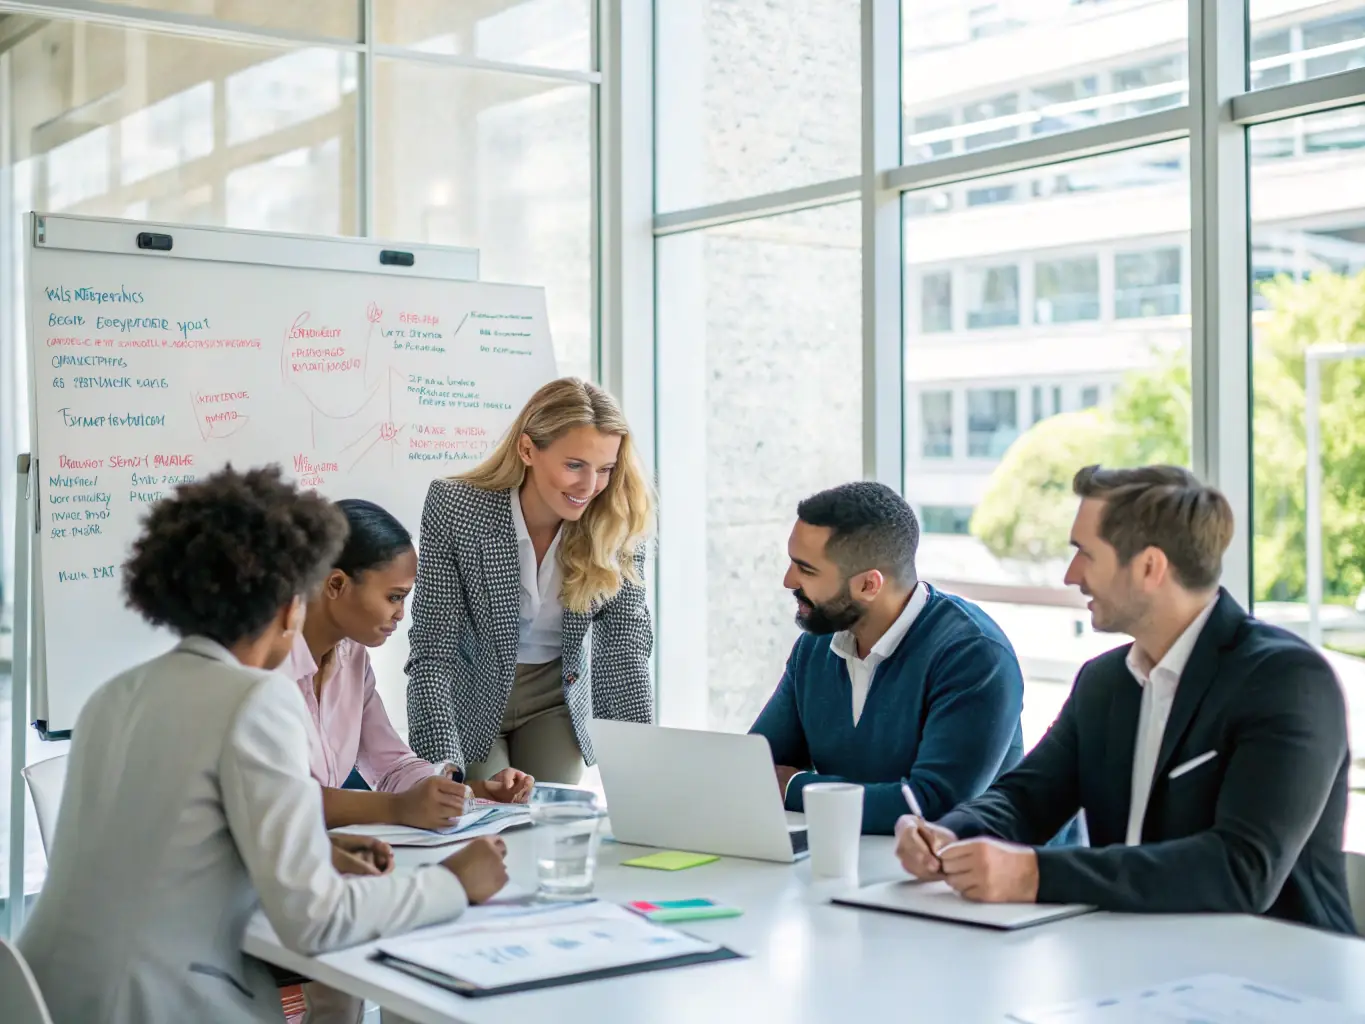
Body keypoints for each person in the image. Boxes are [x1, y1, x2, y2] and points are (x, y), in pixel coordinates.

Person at [19, 466, 510, 1024]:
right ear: (287, 604)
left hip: (46, 998)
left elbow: (175, 847)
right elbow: (315, 920)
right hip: (157, 1005)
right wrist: (452, 882)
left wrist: (316, 851)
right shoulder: (254, 699)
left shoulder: (115, 694)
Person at [895, 465, 1356, 935]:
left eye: (1085, 554)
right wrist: (950, 832)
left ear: (1150, 567)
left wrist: (1036, 874)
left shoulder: (1287, 680)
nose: (1072, 576)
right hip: (1132, 951)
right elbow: (1028, 796)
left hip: (1283, 975)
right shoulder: (1105, 681)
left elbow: (1241, 870)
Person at [407, 377, 654, 784]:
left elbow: (625, 650)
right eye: (574, 465)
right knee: (484, 818)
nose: (590, 487)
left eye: (605, 469)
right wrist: (441, 770)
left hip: (554, 698)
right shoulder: (456, 507)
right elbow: (433, 651)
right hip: (470, 692)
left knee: (548, 817)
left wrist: (641, 769)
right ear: (527, 450)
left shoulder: (618, 524)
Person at [750, 481, 1027, 836]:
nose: (788, 581)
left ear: (869, 585)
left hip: (976, 880)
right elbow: (756, 770)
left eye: (806, 570)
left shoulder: (975, 655)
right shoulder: (815, 647)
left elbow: (931, 807)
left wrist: (794, 787)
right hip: (860, 860)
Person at [287, 497, 534, 832]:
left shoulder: (353, 657)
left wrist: (466, 793)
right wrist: (399, 808)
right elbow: (279, 799)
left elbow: (391, 766)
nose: (401, 614)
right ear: (336, 584)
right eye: (394, 596)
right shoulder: (266, 665)